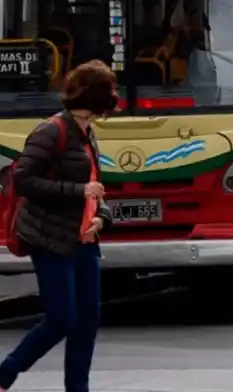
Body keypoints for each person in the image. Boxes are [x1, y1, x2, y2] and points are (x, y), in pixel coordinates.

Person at [0, 60, 116, 392]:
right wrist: (77, 191)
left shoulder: (87, 132)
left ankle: (78, 388)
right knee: (62, 318)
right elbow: (23, 180)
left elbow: (96, 186)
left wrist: (101, 217)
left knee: (87, 322)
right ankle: (6, 373)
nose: (115, 96)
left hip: (84, 241)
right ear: (95, 95)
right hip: (50, 238)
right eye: (110, 89)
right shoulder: (52, 131)